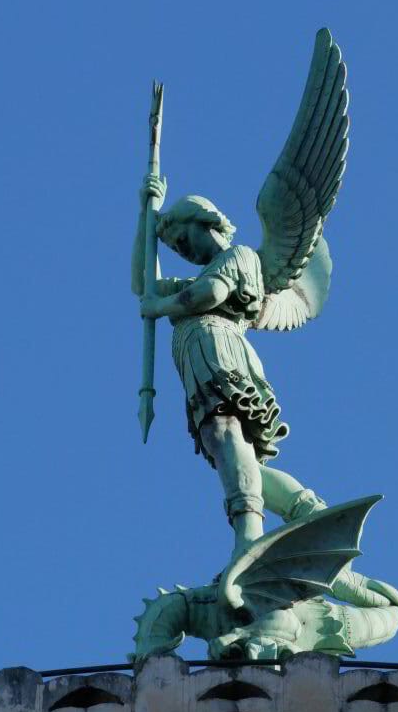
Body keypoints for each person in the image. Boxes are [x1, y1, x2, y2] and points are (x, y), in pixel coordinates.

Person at [132, 175, 327, 601]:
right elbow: (142, 285)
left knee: (225, 434)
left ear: (204, 223)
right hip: (199, 355)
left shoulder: (238, 258)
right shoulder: (196, 275)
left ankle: (249, 539)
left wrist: (162, 307)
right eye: (175, 249)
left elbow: (208, 293)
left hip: (218, 349)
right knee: (231, 454)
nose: (182, 252)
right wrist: (147, 217)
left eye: (182, 239)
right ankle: (302, 506)